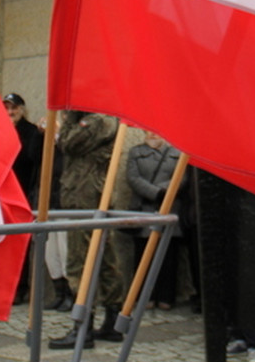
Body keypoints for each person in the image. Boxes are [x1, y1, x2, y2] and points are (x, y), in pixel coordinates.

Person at [49, 112, 127, 349]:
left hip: (87, 198)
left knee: (79, 263)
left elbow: (68, 143)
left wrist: (68, 119)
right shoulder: (95, 119)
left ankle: (82, 326)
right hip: (83, 196)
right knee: (104, 260)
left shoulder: (97, 120)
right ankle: (112, 321)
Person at [126, 131, 185, 310]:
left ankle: (167, 296)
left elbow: (182, 177)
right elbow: (133, 177)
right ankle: (146, 296)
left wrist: (165, 193)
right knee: (143, 254)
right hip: (145, 208)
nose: (153, 134)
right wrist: (155, 192)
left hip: (169, 207)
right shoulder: (136, 152)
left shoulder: (176, 153)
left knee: (169, 256)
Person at [3, 92, 44, 305]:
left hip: (23, 193)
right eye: (7, 108)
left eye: (14, 108)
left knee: (21, 245)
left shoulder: (30, 131)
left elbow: (33, 157)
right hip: (2, 196)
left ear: (22, 109)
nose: (10, 112)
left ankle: (20, 288)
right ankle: (5, 287)